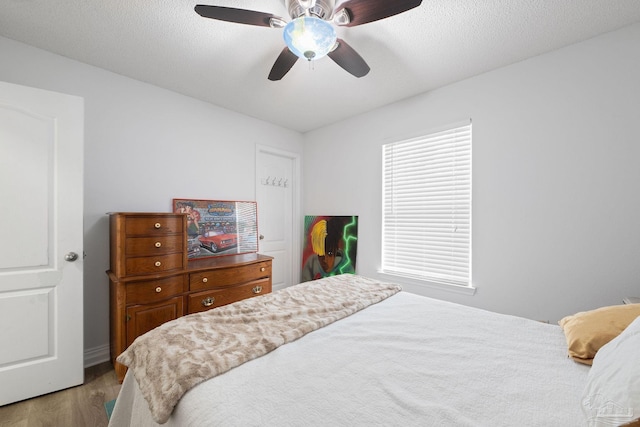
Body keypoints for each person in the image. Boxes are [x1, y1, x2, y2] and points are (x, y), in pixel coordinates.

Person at [301, 217, 354, 282]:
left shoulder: (346, 267)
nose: (325, 260)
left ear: (336, 250)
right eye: (321, 255)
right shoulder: (311, 263)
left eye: (329, 254)